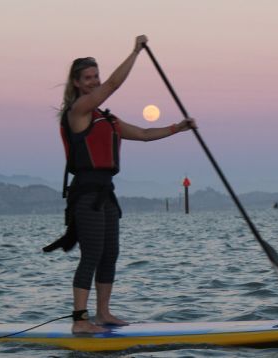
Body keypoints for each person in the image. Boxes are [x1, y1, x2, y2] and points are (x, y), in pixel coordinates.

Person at [48, 35, 196, 334]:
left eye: (96, 76)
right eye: (88, 78)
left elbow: (142, 133)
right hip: (86, 193)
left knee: (110, 253)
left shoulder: (108, 119)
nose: (94, 82)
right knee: (91, 254)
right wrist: (135, 52)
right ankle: (79, 321)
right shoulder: (78, 112)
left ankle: (103, 314)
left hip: (107, 193)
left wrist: (177, 129)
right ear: (77, 83)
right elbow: (113, 86)